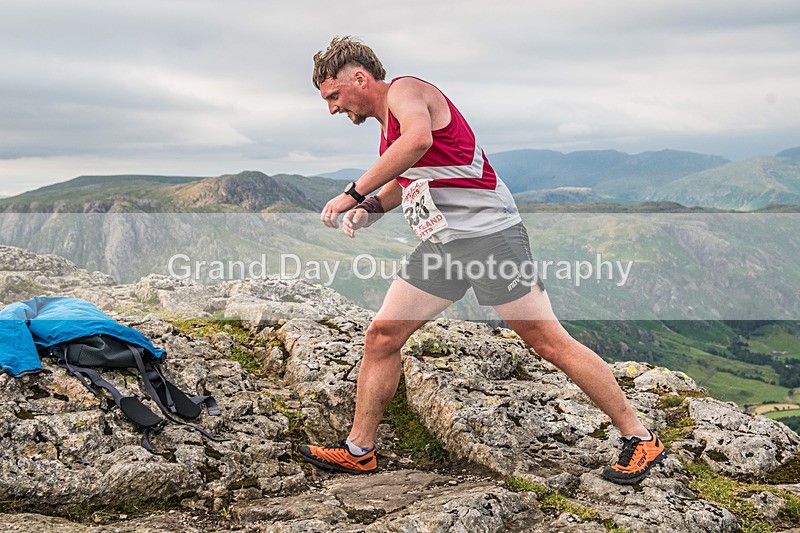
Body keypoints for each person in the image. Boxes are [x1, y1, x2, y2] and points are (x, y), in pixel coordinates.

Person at [298, 36, 666, 485]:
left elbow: (417, 142)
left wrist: (351, 192)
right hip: (445, 245)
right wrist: (372, 207)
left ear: (359, 77)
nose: (333, 109)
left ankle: (640, 437)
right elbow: (409, 173)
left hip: (491, 238)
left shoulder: (405, 91)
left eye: (333, 96)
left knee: (547, 342)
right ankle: (359, 450)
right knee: (381, 336)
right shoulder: (386, 125)